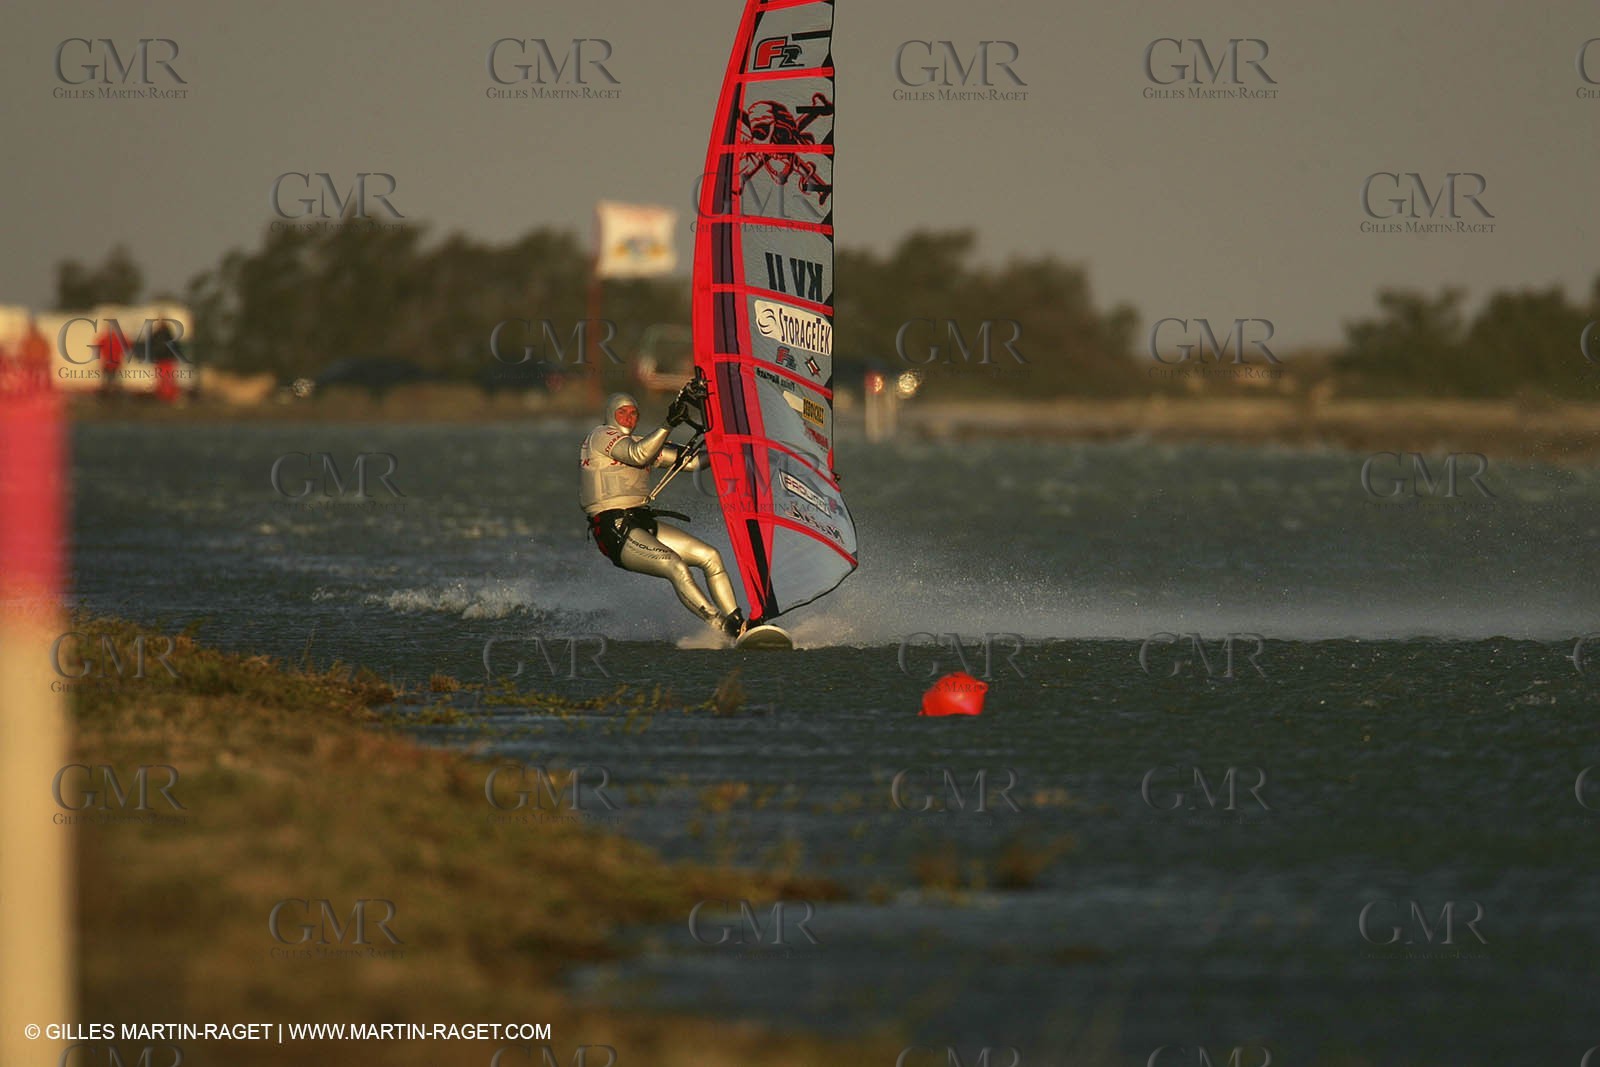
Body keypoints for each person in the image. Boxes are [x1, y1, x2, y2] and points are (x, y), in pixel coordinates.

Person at [580, 383, 746, 639]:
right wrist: (668, 423)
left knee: (710, 556)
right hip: (613, 529)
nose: (629, 418)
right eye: (623, 413)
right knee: (675, 566)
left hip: (640, 522)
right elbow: (637, 455)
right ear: (611, 414)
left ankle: (739, 622)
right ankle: (722, 628)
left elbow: (693, 462)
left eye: (634, 413)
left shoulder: (642, 443)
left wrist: (726, 438)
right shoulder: (601, 436)